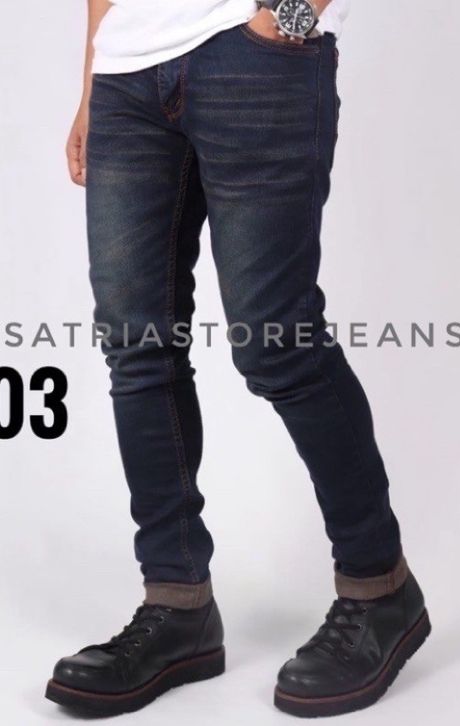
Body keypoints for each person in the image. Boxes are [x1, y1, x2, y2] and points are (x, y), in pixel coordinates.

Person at [45, 0, 430, 718]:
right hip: (127, 72)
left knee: (277, 343)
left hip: (255, 56)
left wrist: (287, 18)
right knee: (137, 349)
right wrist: (95, 75)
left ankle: (381, 588)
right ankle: (177, 604)